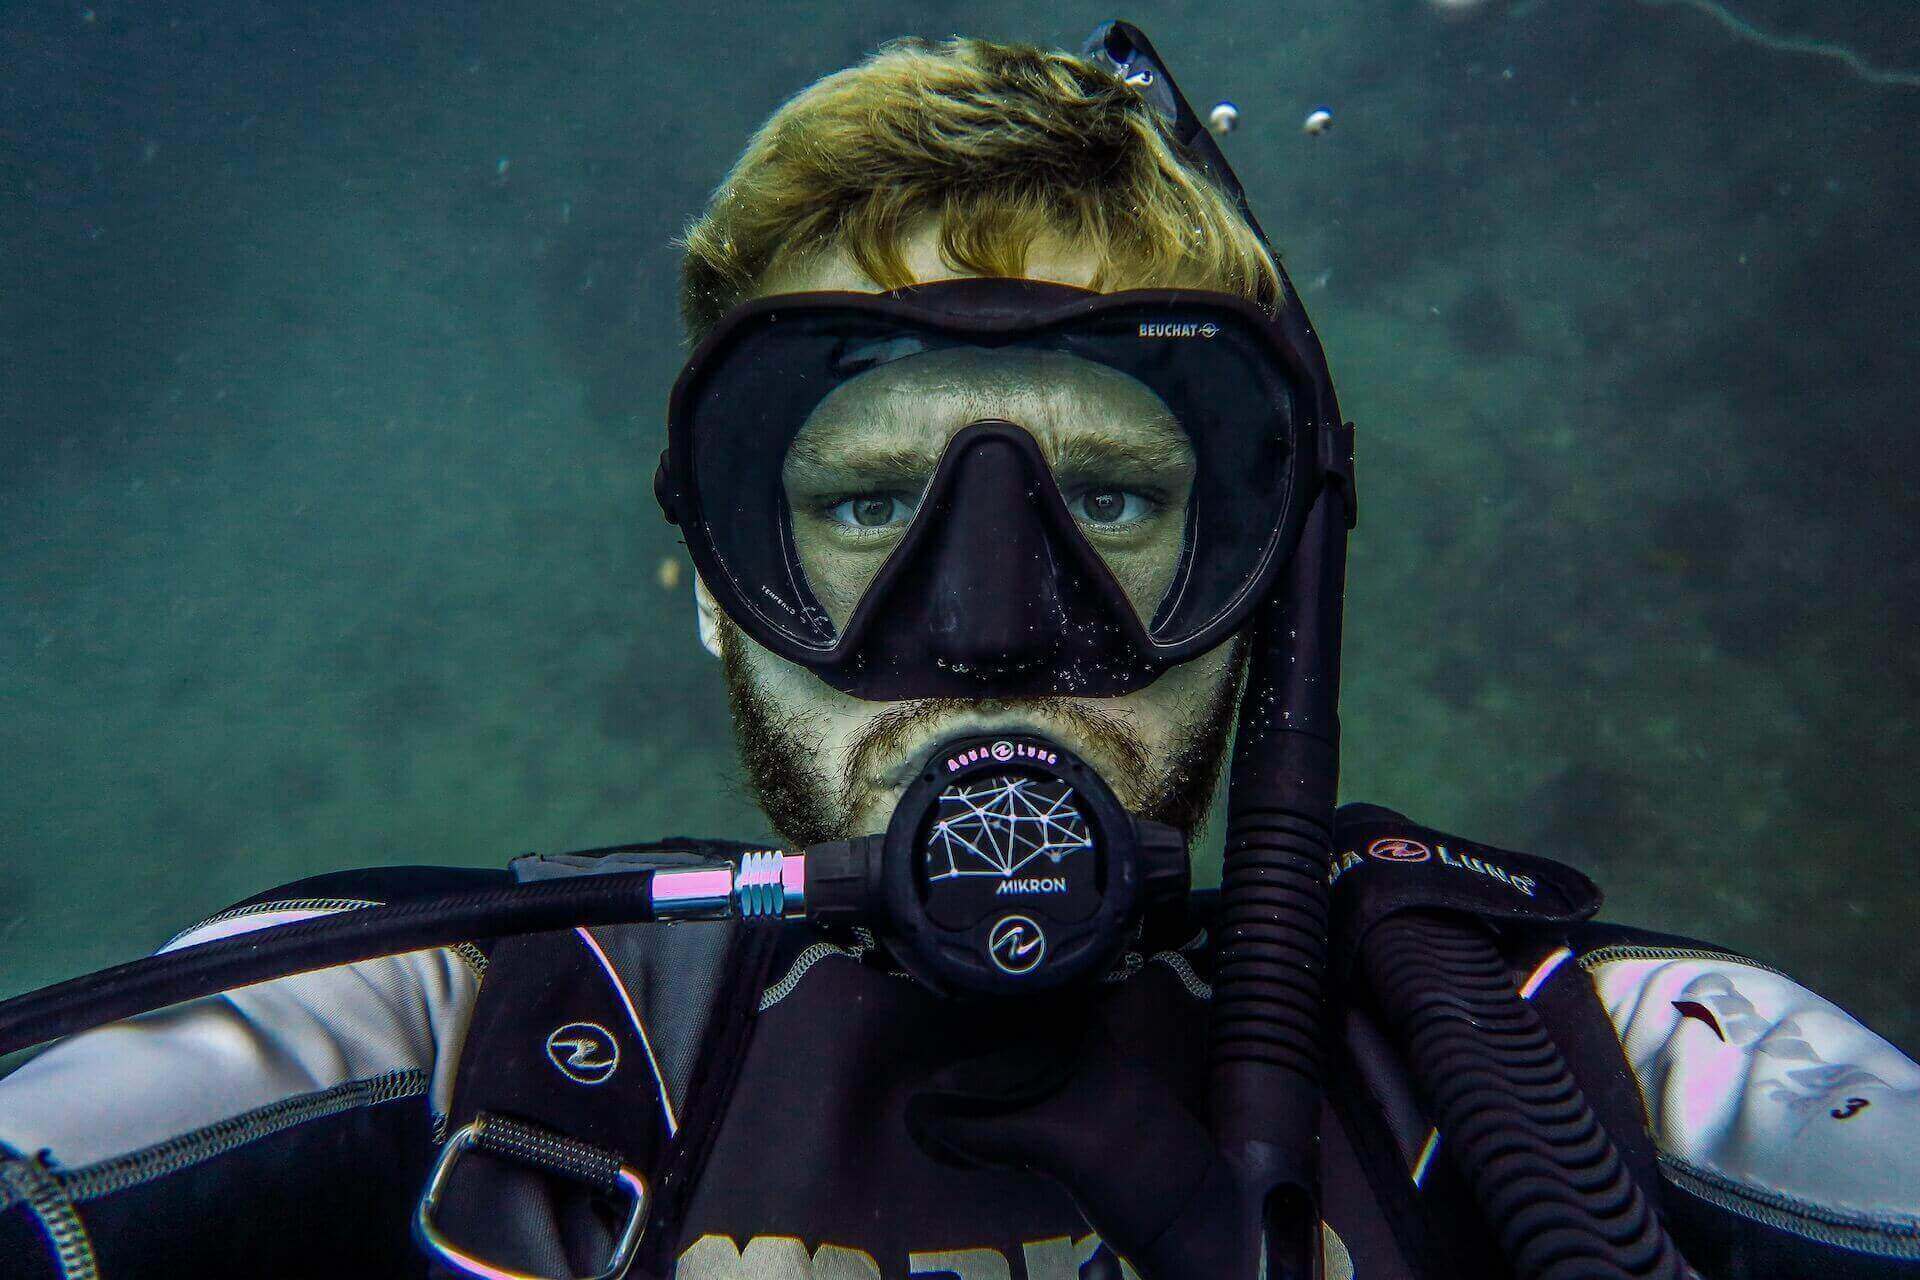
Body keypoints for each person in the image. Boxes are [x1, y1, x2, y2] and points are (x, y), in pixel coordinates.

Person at [1, 27, 1916, 1280]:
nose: (990, 630)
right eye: (858, 509)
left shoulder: (1548, 1066)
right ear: (704, 576)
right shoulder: (444, 1040)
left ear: (1270, 569)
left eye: (1109, 496)